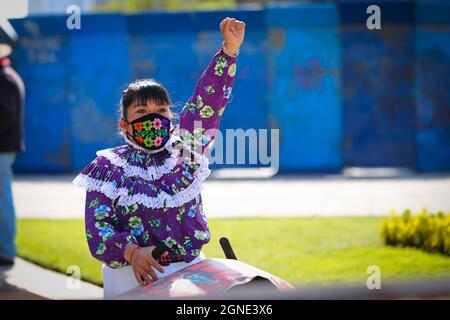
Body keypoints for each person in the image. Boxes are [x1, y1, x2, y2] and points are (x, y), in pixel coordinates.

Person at [73, 17, 245, 298]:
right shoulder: (107, 168)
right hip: (132, 278)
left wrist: (229, 51)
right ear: (124, 125)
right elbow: (98, 231)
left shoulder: (187, 152)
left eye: (162, 111)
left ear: (171, 116)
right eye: (141, 113)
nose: (153, 119)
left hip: (193, 274)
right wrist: (132, 252)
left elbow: (207, 105)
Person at [0, 43, 25, 267]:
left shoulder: (5, 79)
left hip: (2, 149)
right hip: (4, 148)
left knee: (3, 200)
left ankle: (6, 250)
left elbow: (5, 115)